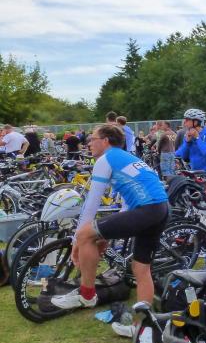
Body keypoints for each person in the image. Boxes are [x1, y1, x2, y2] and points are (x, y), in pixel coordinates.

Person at [51, 123, 169, 315]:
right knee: (141, 269)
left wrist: (78, 239)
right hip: (161, 209)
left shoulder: (106, 159)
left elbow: (92, 203)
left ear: (105, 141)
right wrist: (107, 233)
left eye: (92, 139)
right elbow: (129, 200)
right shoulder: (126, 157)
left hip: (147, 210)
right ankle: (143, 324)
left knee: (85, 234)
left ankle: (87, 295)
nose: (89, 143)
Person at [175, 108, 206, 184]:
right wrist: (187, 142)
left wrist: (197, 138)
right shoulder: (188, 134)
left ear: (195, 122)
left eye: (187, 120)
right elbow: (183, 155)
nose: (184, 122)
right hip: (194, 172)